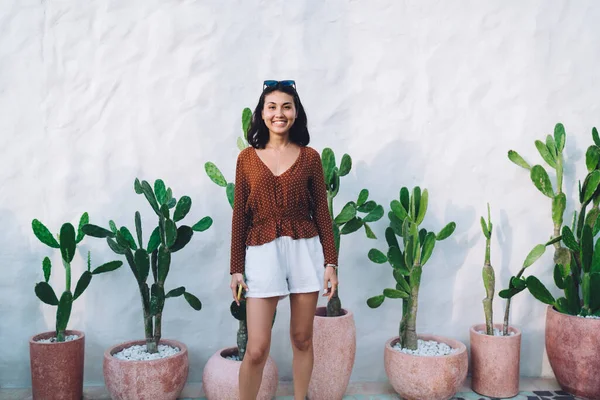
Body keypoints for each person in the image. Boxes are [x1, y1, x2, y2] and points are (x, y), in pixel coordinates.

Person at [229, 80, 339, 400]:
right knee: (257, 348)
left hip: (304, 248)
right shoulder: (247, 159)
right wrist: (236, 268)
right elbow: (240, 216)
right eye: (272, 107)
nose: (280, 113)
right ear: (262, 114)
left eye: (286, 106)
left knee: (302, 338)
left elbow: (321, 211)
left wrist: (330, 262)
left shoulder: (310, 158)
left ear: (296, 112)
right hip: (261, 251)